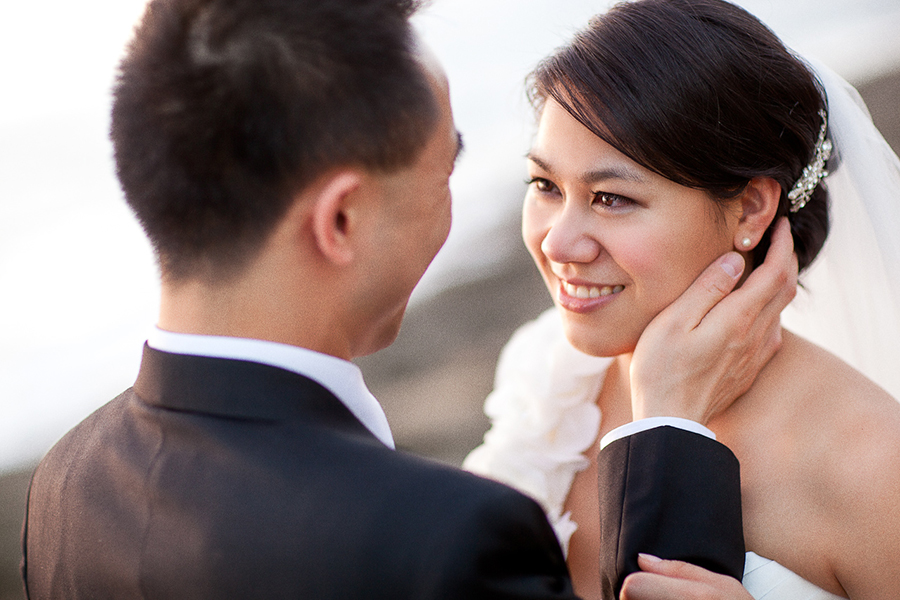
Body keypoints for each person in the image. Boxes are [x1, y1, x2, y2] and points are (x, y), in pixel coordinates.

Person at [20, 0, 796, 597]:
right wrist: (665, 430)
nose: (557, 240)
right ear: (342, 219)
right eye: (442, 174)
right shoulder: (442, 542)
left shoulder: (65, 480)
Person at [464, 0, 900, 599]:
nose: (557, 242)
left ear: (750, 209)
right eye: (545, 185)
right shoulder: (550, 371)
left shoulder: (871, 463)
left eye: (611, 197)